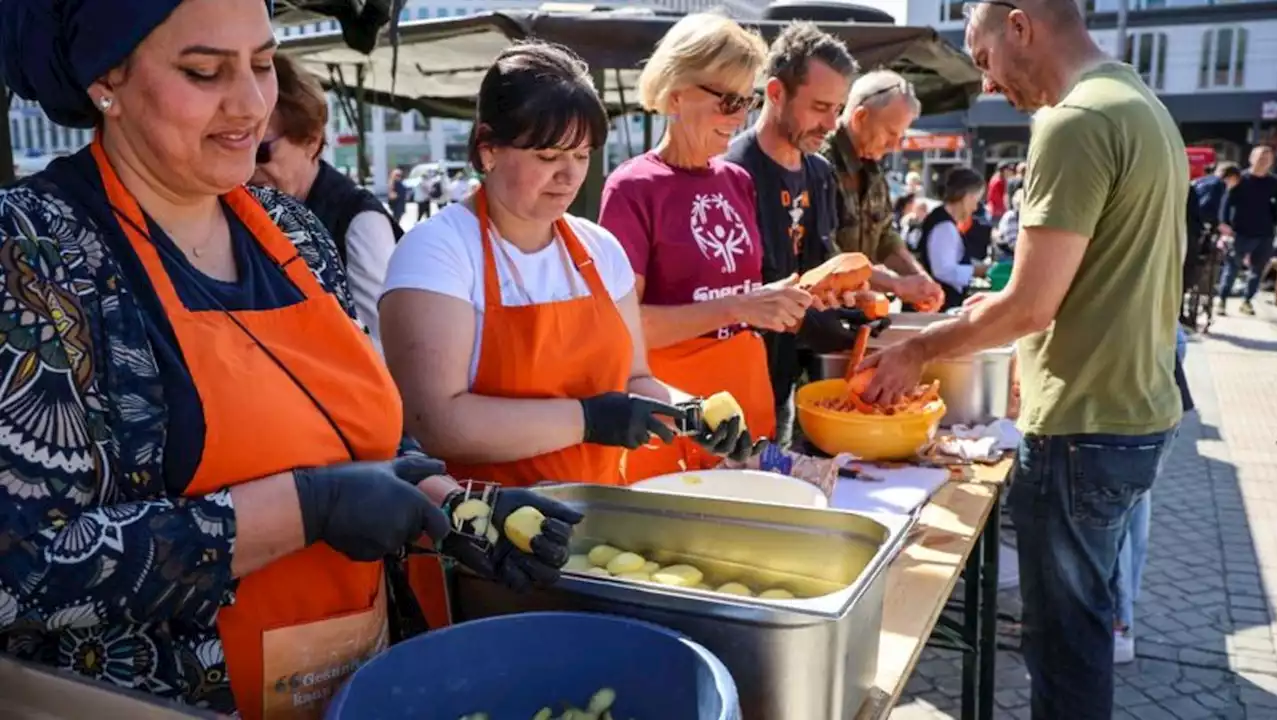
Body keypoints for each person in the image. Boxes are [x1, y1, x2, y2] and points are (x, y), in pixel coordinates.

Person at [0, 1, 580, 717]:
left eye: (264, 64)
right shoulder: (32, 256)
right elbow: (20, 570)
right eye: (204, 71)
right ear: (105, 81)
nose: (250, 104)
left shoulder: (294, 233)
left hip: (355, 684)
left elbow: (357, 436)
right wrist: (308, 509)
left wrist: (453, 508)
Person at [863, 0, 1186, 715]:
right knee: (1084, 632)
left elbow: (1032, 303)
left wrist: (918, 349)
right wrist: (1017, 345)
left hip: (1083, 429)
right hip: (1132, 415)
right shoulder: (1137, 102)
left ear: (1020, 25)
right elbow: (1092, 282)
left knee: (1065, 652)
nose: (987, 85)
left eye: (982, 60)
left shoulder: (1073, 122)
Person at [380, 41, 754, 622]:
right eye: (548, 153)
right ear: (487, 148)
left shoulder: (599, 249)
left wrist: (693, 412)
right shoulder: (436, 253)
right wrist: (588, 418)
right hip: (486, 544)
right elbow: (438, 422)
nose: (568, 175)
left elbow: (635, 377)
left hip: (593, 536)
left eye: (580, 155)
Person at [600, 12, 789, 480]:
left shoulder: (738, 181)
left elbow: (738, 292)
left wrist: (784, 299)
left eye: (746, 100)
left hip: (746, 401)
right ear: (675, 92)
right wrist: (738, 306)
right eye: (727, 100)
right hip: (672, 412)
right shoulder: (632, 187)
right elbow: (623, 331)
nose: (740, 117)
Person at [722, 21, 859, 446]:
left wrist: (852, 305)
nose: (831, 123)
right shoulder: (730, 171)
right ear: (776, 93)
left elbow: (820, 265)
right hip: (730, 389)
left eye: (837, 109)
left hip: (793, 379)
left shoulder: (819, 172)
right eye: (820, 107)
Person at [251, 53, 401, 351]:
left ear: (311, 141)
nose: (246, 166)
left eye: (261, 151)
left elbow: (383, 349)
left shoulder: (359, 223)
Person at [821, 70, 945, 310]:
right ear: (860, 117)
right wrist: (896, 285)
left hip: (856, 312)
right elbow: (825, 256)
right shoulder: (819, 164)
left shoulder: (873, 170)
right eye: (890, 133)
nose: (895, 146)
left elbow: (886, 238)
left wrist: (919, 279)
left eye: (900, 136)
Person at [1111, 324, 1194, 665]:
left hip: (1127, 368)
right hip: (1153, 361)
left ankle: (1118, 620)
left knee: (1116, 511)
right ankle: (1122, 617)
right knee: (1131, 507)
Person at [1217, 145, 1277, 316]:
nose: (1263, 162)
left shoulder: (1275, 183)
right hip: (1240, 232)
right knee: (1232, 268)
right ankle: (1222, 300)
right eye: (1260, 158)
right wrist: (1223, 223)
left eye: (1267, 159)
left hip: (1265, 233)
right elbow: (1226, 202)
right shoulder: (1240, 179)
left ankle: (1247, 301)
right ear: (1251, 159)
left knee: (1257, 271)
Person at [918, 167, 989, 310]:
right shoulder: (944, 227)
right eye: (976, 200)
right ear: (966, 196)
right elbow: (943, 270)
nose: (975, 207)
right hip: (938, 306)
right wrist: (976, 270)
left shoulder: (942, 221)